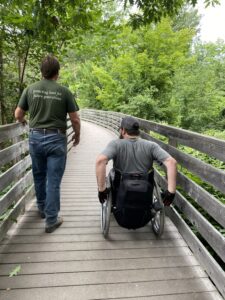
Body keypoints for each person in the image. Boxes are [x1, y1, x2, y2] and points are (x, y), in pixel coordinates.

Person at [15, 54, 80, 233]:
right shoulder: (64, 91)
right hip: (56, 139)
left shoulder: (30, 89)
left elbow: (18, 115)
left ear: (41, 72)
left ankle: (43, 209)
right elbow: (75, 119)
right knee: (53, 180)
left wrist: (25, 122)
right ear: (57, 73)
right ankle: (51, 220)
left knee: (39, 175)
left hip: (35, 138)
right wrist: (77, 136)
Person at [96, 116, 177, 228]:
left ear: (123, 130)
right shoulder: (151, 146)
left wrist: (101, 190)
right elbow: (171, 162)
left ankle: (115, 204)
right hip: (145, 187)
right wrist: (171, 192)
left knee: (112, 173)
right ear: (138, 131)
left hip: (120, 186)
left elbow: (100, 161)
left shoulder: (115, 144)